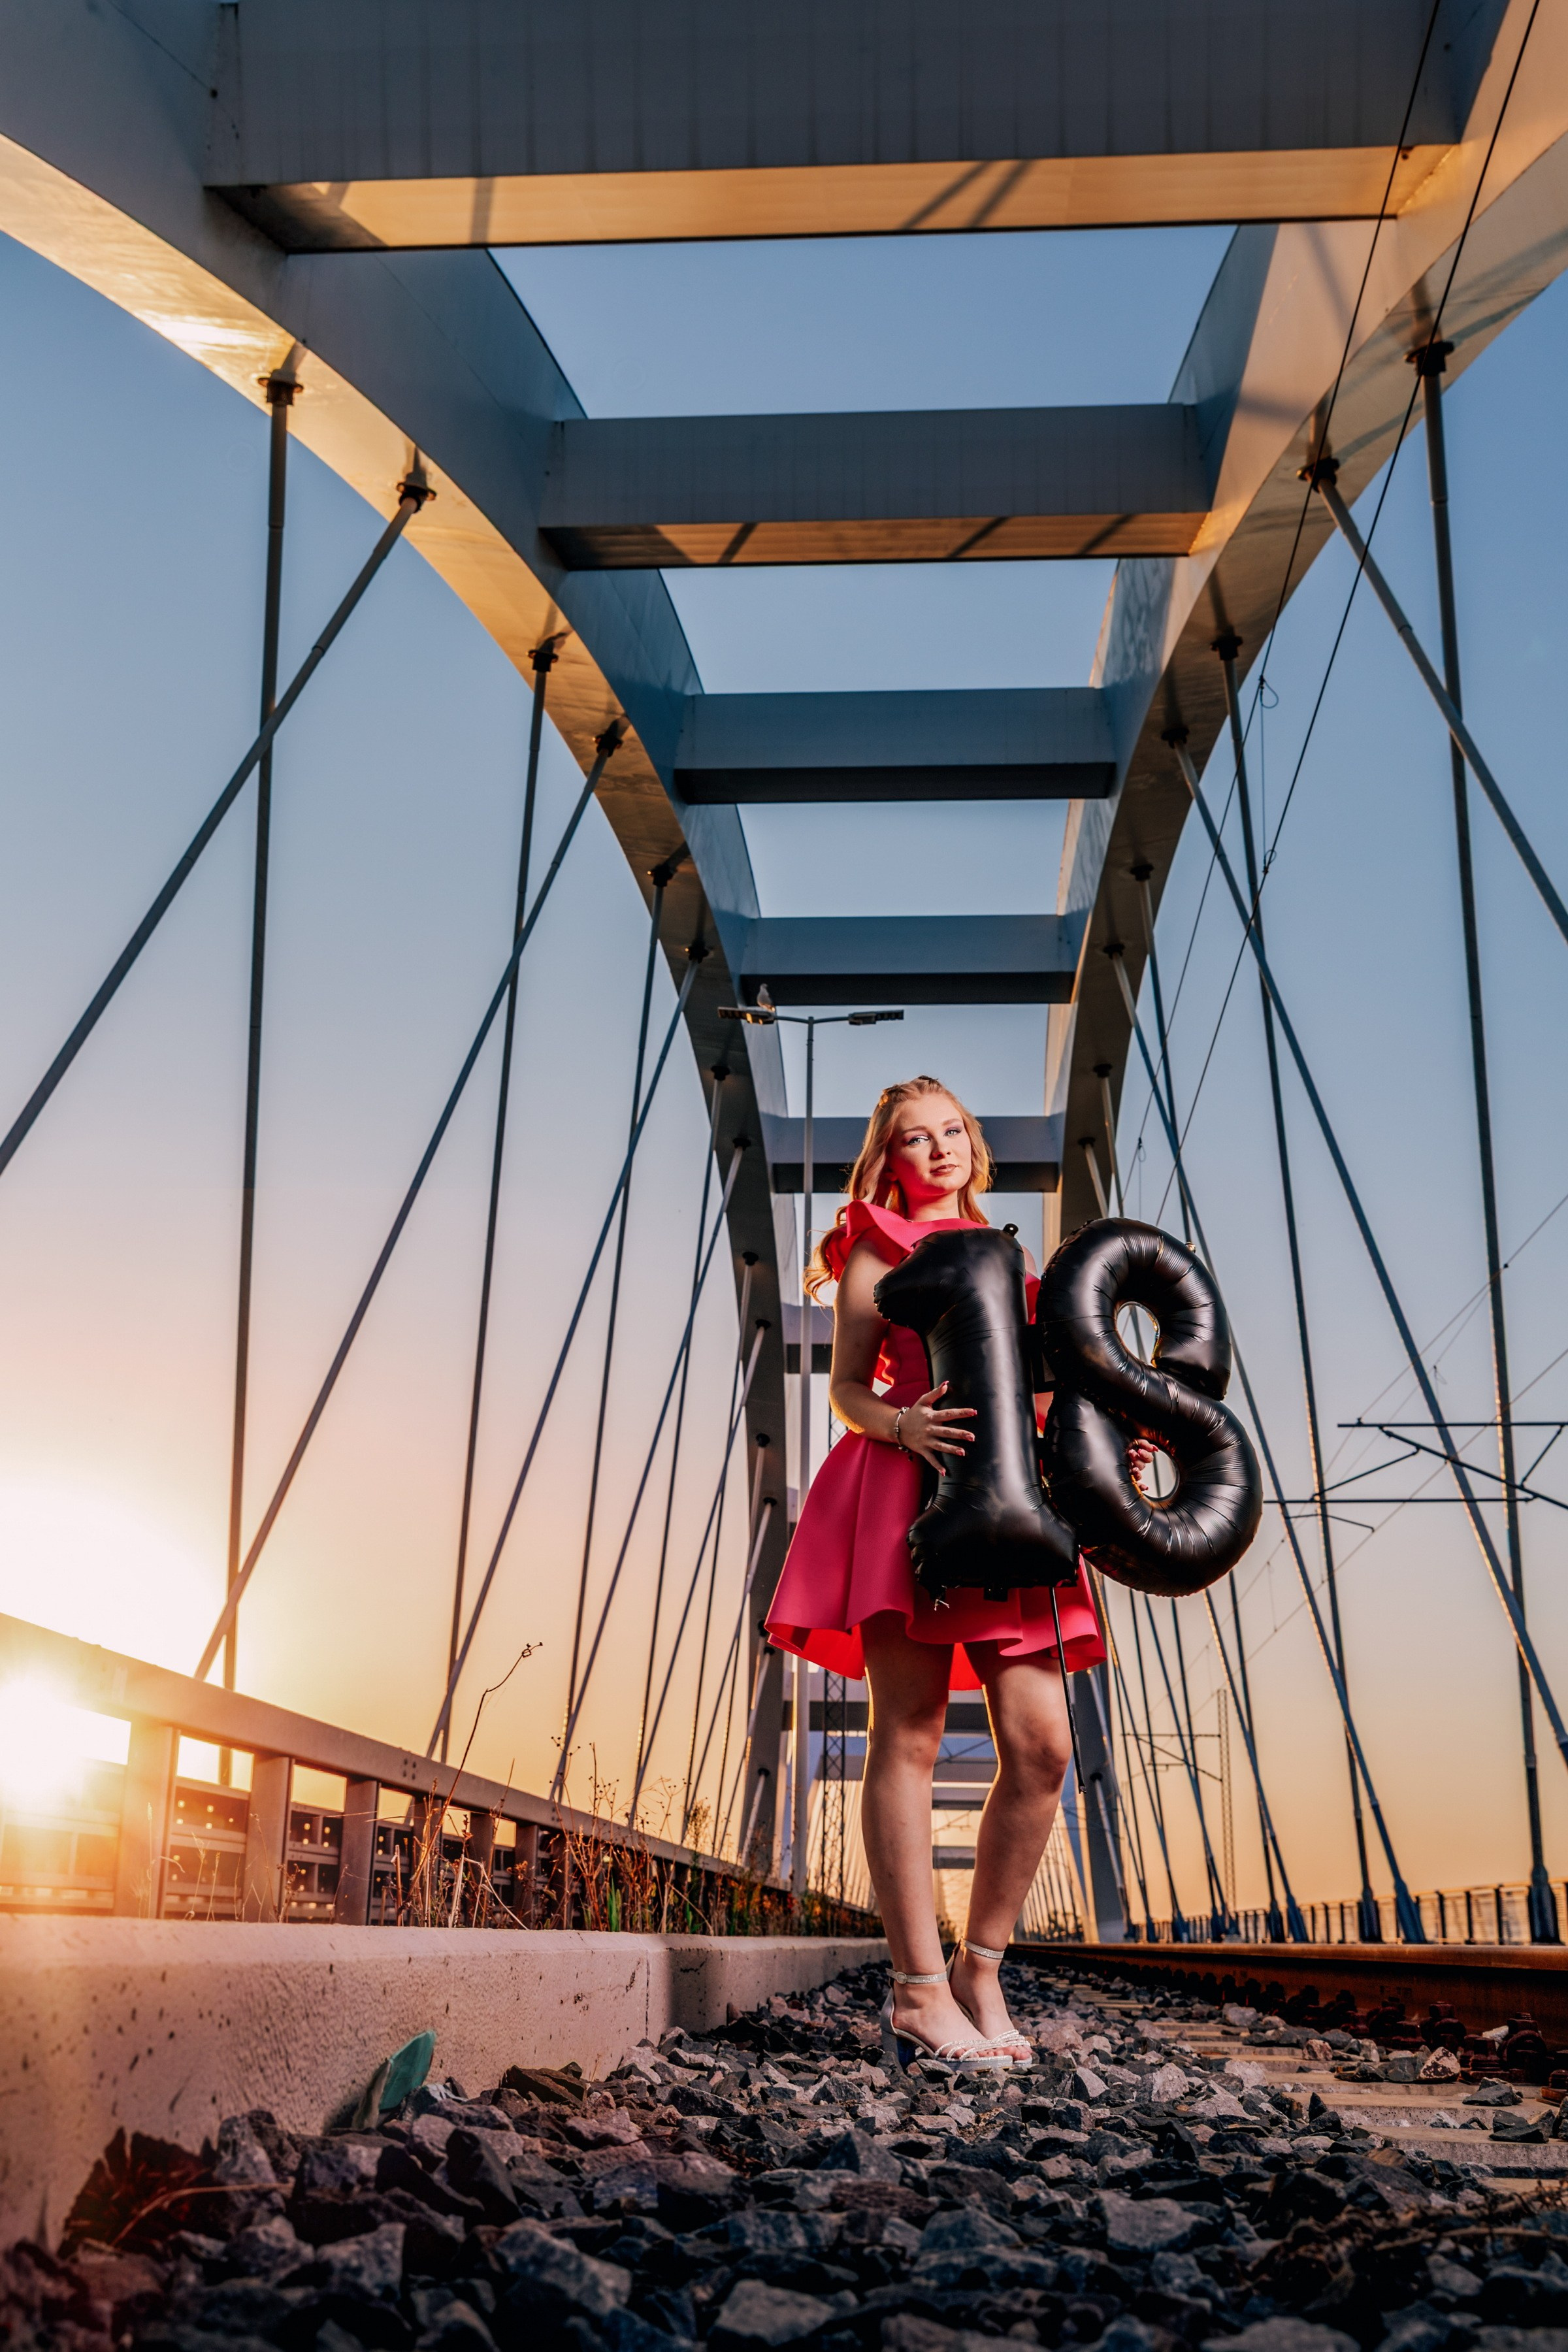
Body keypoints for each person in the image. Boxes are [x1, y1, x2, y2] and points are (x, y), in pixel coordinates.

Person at [765, 1075, 1117, 2069]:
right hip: (908, 1483)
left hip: (1013, 1492)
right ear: (889, 1157)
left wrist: (1106, 1452)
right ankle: (920, 1989)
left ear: (973, 1143)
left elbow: (1045, 1384)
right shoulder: (879, 1238)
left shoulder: (1010, 1253)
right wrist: (901, 1421)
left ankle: (981, 1968)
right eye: (914, 1139)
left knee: (1043, 1744)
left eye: (953, 1131)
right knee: (910, 1735)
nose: (939, 1149)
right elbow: (845, 1387)